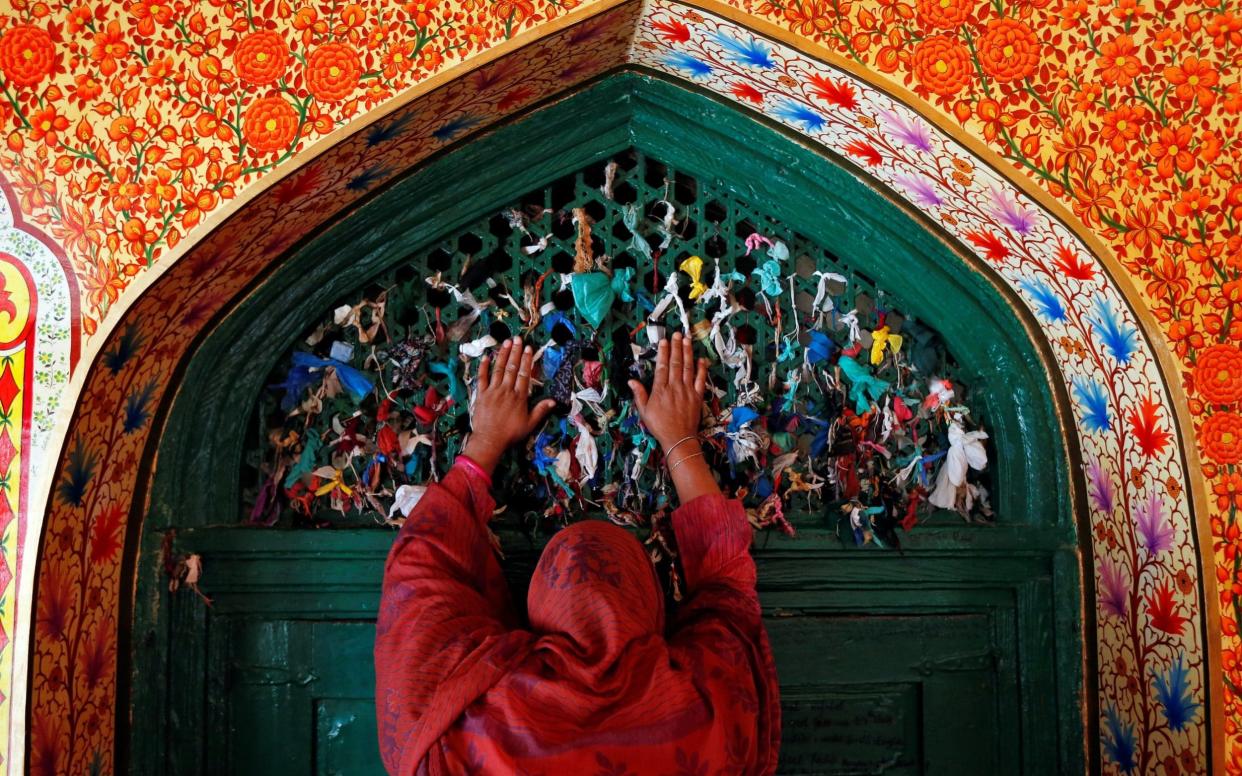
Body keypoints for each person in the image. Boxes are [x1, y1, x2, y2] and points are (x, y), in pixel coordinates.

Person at [374, 332, 781, 775]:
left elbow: (420, 579)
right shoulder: (708, 717)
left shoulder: (462, 729)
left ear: (535, 609)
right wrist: (679, 441)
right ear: (653, 603)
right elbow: (727, 596)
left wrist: (485, 445)